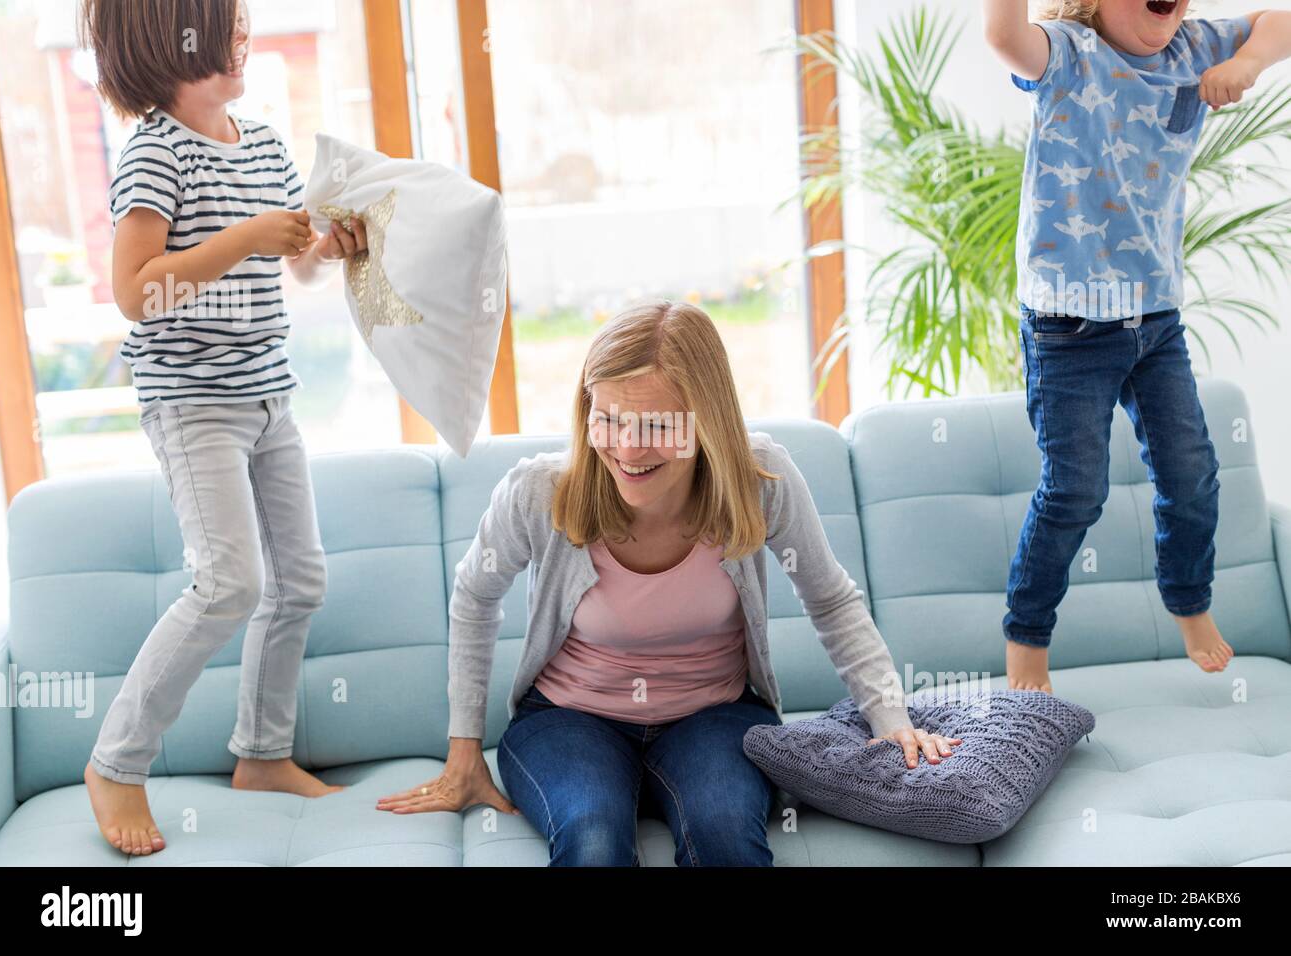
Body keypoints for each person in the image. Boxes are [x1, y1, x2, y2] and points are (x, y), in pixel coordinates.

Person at [376, 300, 961, 866]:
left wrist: (892, 720)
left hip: (714, 714)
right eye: (607, 419)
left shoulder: (762, 482)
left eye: (656, 424)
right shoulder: (540, 492)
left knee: (725, 836)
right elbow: (475, 593)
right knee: (593, 839)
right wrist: (462, 751)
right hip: (569, 718)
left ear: (706, 419)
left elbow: (830, 600)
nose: (628, 449)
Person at [80, 0, 368, 855]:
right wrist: (243, 237)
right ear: (171, 42)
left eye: (242, 24)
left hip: (269, 395)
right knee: (228, 583)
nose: (243, 38)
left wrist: (329, 248)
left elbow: (299, 266)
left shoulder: (267, 143)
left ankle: (263, 755)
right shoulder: (154, 151)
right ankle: (116, 762)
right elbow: (137, 291)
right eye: (225, 26)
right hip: (192, 403)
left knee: (300, 580)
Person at [982, 0, 1291, 691]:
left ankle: (1188, 600)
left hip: (1154, 320)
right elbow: (1003, 35)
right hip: (1068, 327)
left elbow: (1280, 20)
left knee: (1193, 473)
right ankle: (1027, 635)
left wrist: (1247, 60)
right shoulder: (1067, 54)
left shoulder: (1194, 45)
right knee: (1075, 490)